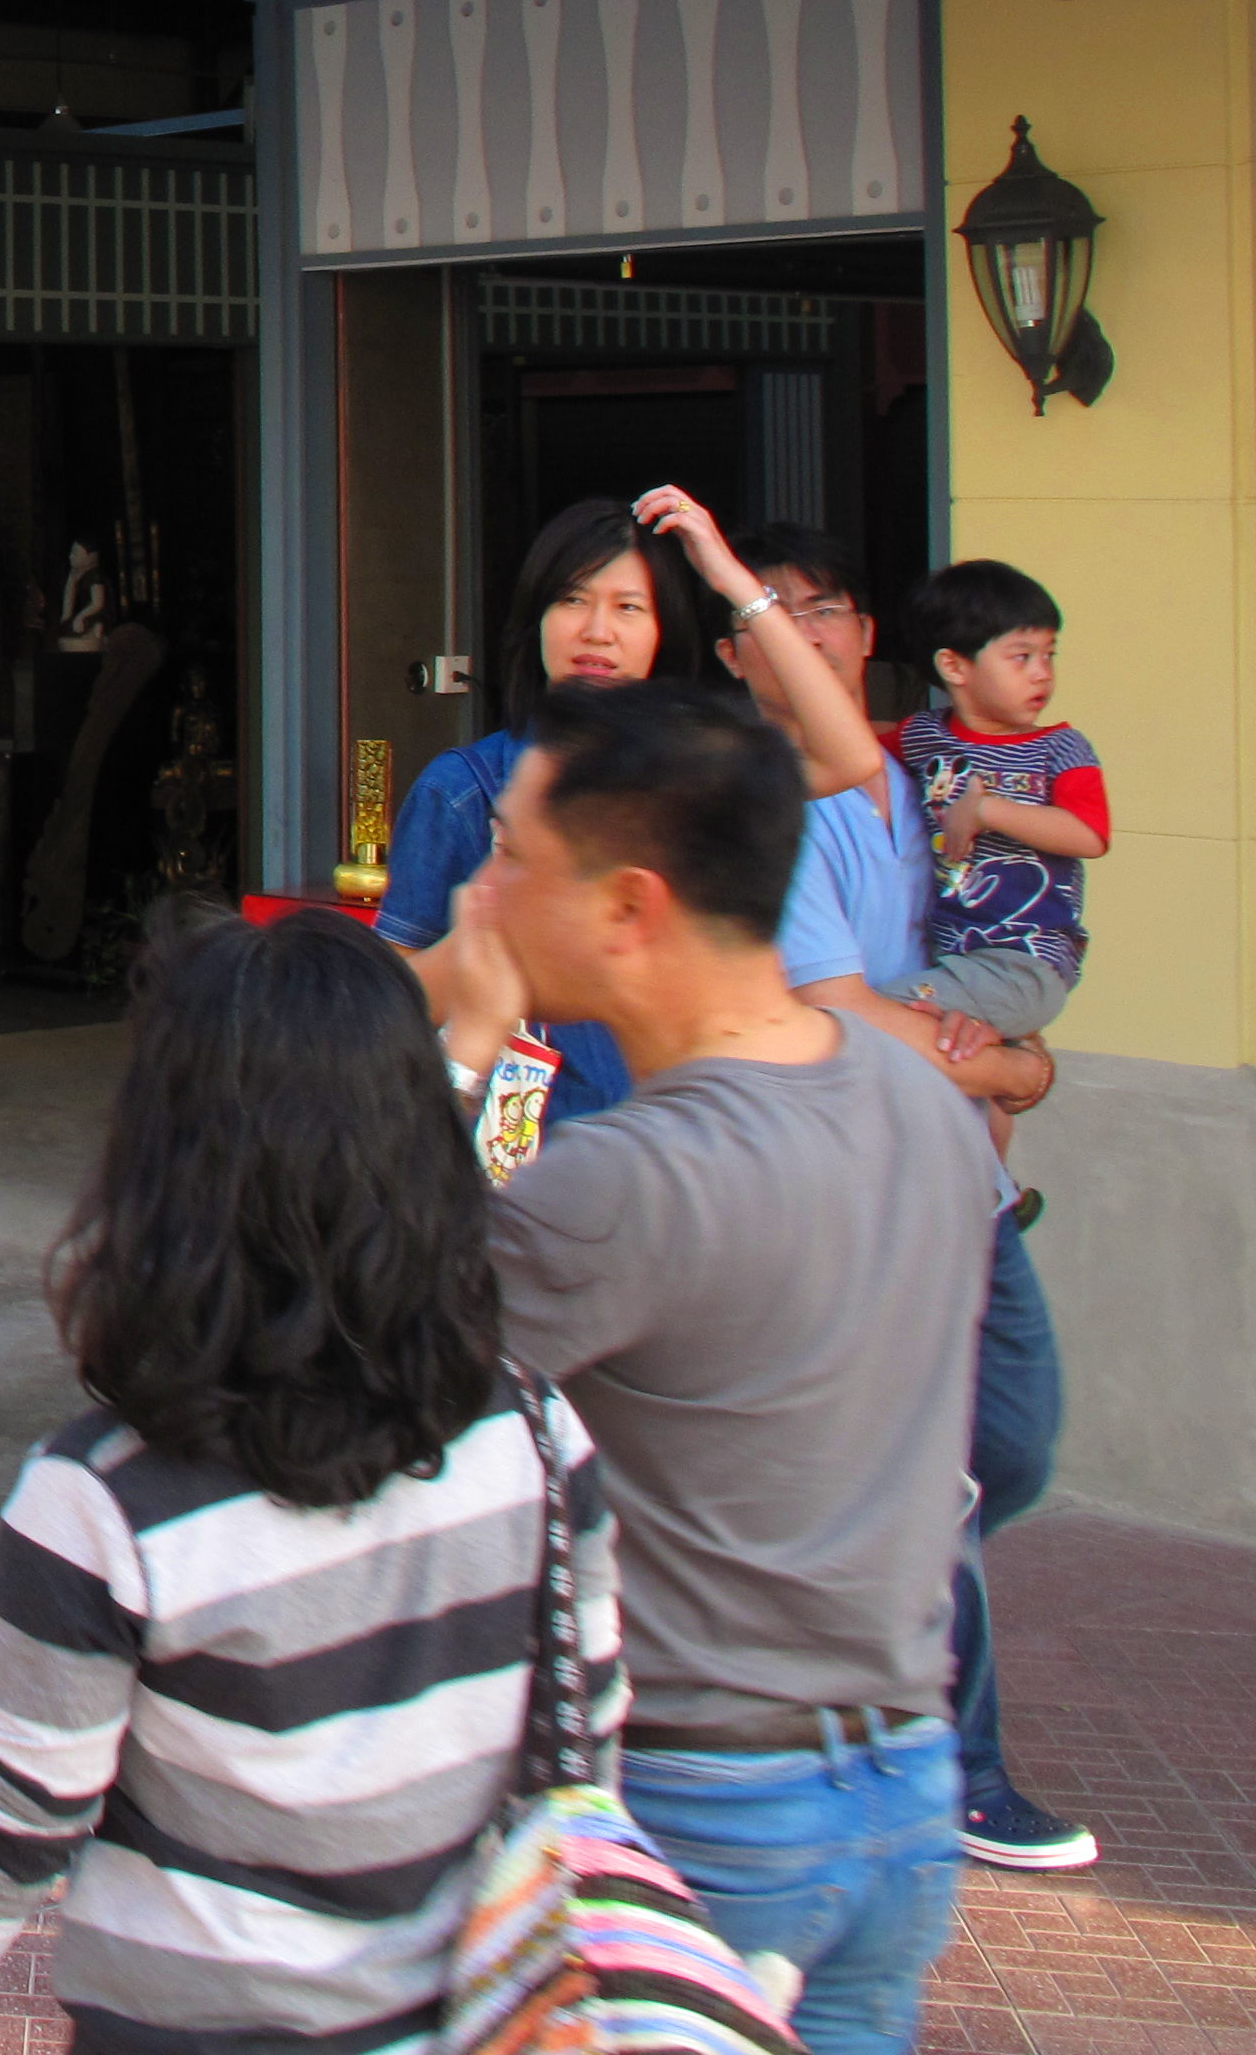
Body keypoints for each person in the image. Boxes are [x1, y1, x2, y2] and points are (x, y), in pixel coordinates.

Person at [0, 908, 620, 2055]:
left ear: (165, 1163)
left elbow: (2, 1837)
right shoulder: (540, 1441)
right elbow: (584, 1755)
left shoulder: (103, 1506)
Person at [423, 682, 994, 2055]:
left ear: (629, 907)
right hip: (904, 1785)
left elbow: (376, 1370)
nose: (479, 892)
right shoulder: (914, 1095)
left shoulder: (630, 1183)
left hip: (699, 1809)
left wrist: (458, 1046)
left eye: (510, 857)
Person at [718, 525, 1093, 1885]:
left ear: (872, 635)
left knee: (1013, 1442)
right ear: (734, 653)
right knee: (938, 1480)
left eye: (827, 610)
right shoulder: (775, 803)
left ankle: (848, 1628)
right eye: (773, 618)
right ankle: (961, 1773)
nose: (806, 635)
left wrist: (998, 1063)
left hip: (967, 1182)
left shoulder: (913, 781)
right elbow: (844, 1011)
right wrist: (1013, 1062)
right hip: (861, 1194)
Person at [378, 487, 886, 1124]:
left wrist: (733, 580)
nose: (597, 632)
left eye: (628, 607)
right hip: (525, 1151)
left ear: (661, 631)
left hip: (683, 1130)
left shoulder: (686, 775)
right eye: (572, 601)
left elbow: (849, 758)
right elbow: (393, 1000)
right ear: (535, 618)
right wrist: (489, 937)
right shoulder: (464, 788)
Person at [893, 560, 1104, 1047]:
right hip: (951, 959)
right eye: (1021, 656)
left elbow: (1088, 834)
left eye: (1049, 655)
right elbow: (850, 752)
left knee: (862, 1014)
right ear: (953, 666)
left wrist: (986, 811)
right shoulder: (925, 735)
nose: (1042, 674)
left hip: (1025, 964)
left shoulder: (1062, 748)